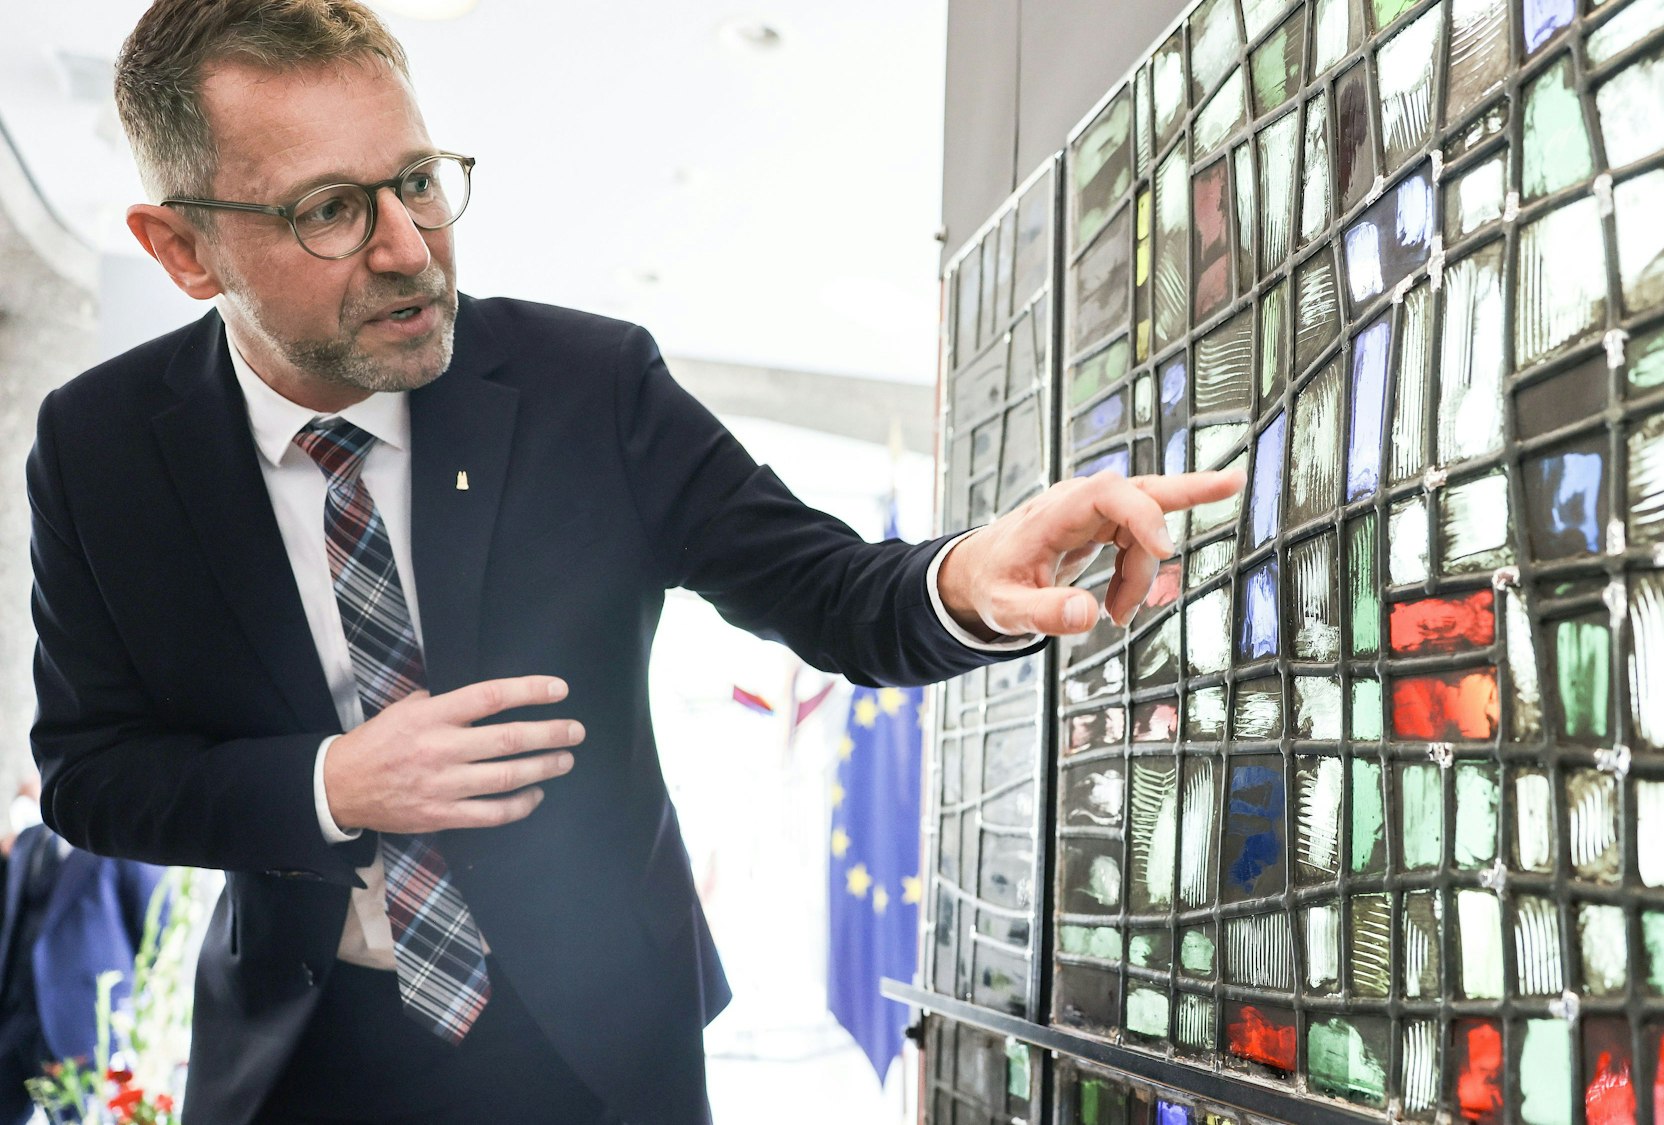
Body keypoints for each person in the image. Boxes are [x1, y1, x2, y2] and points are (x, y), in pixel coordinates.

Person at [25, 3, 1243, 1123]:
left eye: (417, 182)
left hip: (594, 1049)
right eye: (329, 210)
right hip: (304, 1053)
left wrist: (965, 576)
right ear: (183, 250)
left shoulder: (588, 388)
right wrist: (333, 785)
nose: (408, 248)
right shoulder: (101, 450)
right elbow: (92, 774)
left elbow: (825, 589)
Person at [0, 803, 169, 1125]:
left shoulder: (122, 842)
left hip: (80, 1025)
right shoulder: (28, 841)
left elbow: (152, 927)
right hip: (14, 1017)